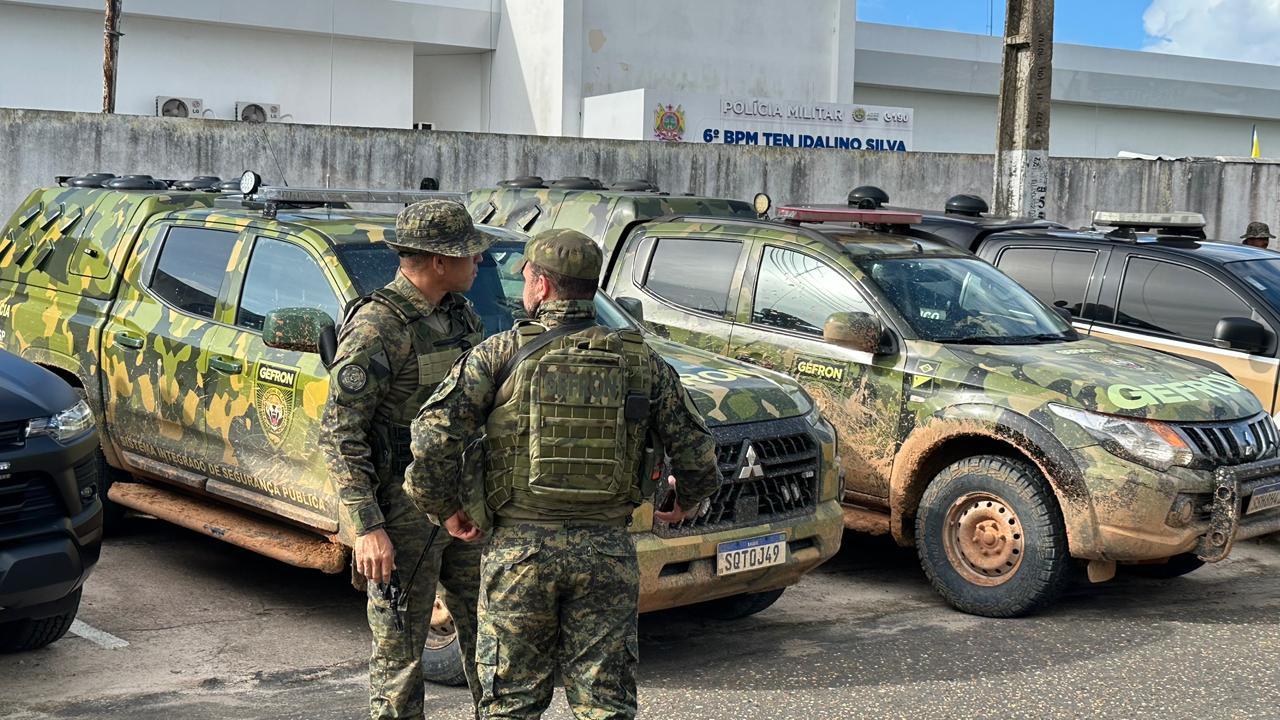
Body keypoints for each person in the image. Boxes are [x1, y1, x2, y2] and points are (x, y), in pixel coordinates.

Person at [403, 228, 721, 719]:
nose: (525, 284)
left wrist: (444, 510)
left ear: (543, 287)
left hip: (519, 554)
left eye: (527, 275)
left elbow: (429, 442)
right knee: (605, 705)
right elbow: (698, 453)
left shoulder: (499, 354)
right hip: (607, 554)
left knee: (511, 703)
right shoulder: (642, 362)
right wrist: (686, 501)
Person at [319, 199, 492, 719]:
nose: (478, 262)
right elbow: (340, 433)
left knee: (493, 639)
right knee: (400, 657)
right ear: (439, 261)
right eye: (470, 254)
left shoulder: (459, 314)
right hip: (402, 512)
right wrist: (368, 527)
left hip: (465, 502)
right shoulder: (377, 327)